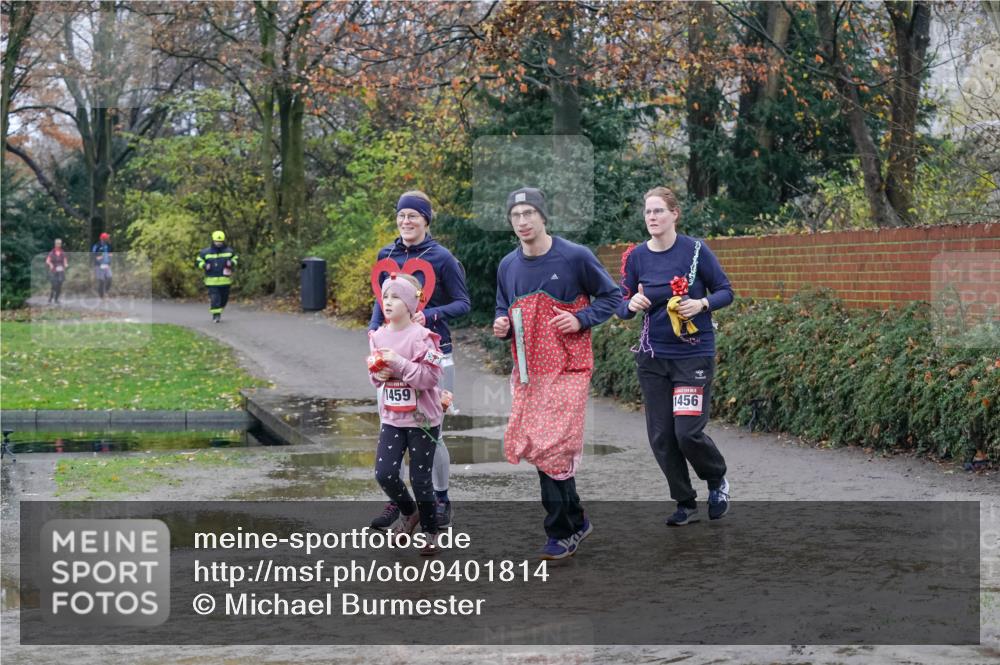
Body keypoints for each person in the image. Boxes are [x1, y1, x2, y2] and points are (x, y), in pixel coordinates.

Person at [493, 186, 621, 560]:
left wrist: (581, 318)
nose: (522, 221)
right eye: (515, 216)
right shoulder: (507, 265)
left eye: (529, 213)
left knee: (551, 444)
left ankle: (560, 532)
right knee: (542, 447)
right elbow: (503, 308)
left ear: (543, 216)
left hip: (569, 368)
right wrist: (502, 325)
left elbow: (612, 297)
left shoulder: (574, 256)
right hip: (529, 372)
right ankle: (575, 519)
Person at [616, 186, 735, 526]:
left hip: (692, 356)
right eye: (648, 212)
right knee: (662, 437)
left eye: (658, 211)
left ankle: (716, 479)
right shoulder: (637, 256)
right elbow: (620, 305)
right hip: (653, 359)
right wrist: (630, 304)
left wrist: (702, 304)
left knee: (687, 433)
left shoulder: (695, 250)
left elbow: (726, 291)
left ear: (674, 214)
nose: (652, 217)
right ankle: (685, 502)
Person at [368, 191, 471, 532]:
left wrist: (429, 314)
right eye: (401, 215)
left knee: (432, 431)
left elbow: (463, 303)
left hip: (432, 355)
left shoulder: (442, 258)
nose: (406, 221)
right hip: (389, 354)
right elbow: (380, 300)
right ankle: (399, 502)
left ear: (426, 220)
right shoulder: (387, 255)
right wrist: (373, 332)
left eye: (413, 215)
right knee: (392, 426)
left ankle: (440, 501)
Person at [368, 272, 446, 556]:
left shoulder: (423, 337)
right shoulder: (377, 336)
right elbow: (375, 375)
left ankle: (430, 531)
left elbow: (431, 377)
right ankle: (409, 512)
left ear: (411, 304)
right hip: (392, 417)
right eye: (385, 296)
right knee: (384, 473)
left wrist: (399, 364)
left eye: (395, 297)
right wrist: (379, 375)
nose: (388, 302)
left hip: (423, 419)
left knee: (421, 478)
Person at [196, 231, 238, 323]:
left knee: (224, 299)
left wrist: (231, 263)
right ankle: (216, 316)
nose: (218, 243)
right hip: (211, 281)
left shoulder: (229, 251)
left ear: (223, 241)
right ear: (213, 241)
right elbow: (198, 261)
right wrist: (204, 265)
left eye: (220, 241)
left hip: (225, 280)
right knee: (215, 298)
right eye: (216, 241)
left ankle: (219, 309)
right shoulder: (205, 252)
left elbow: (235, 259)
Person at [45, 239, 69, 304]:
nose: (58, 245)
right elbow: (47, 261)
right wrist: (50, 264)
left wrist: (66, 264)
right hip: (54, 271)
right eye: (57, 243)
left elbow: (65, 261)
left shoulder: (62, 252)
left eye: (60, 243)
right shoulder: (52, 252)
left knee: (59, 286)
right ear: (55, 244)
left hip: (61, 271)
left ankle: (56, 299)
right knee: (54, 285)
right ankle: (50, 298)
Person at [91, 232, 112, 299]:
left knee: (109, 278)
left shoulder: (108, 245)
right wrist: (97, 259)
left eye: (107, 238)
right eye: (106, 238)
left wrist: (109, 261)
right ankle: (101, 295)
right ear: (102, 239)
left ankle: (106, 292)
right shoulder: (97, 245)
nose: (107, 239)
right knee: (101, 280)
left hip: (106, 264)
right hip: (99, 265)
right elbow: (93, 254)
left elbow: (110, 254)